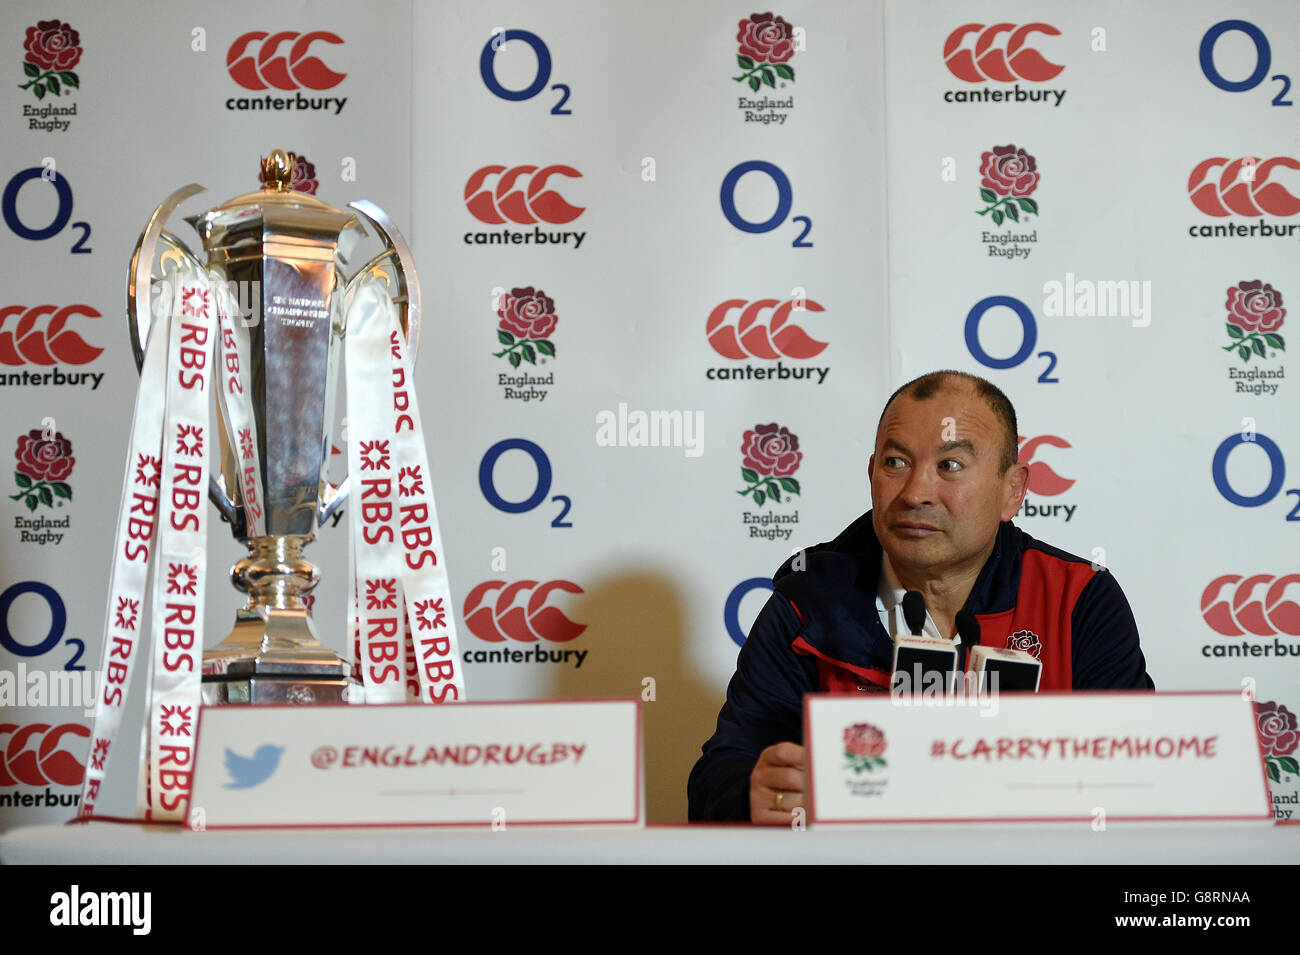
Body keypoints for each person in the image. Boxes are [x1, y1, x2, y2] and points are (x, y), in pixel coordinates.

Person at [688, 370, 1155, 824]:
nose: (915, 493)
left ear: (1013, 490)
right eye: (896, 463)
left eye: (950, 466)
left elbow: (1140, 779)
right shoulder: (807, 604)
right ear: (871, 474)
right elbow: (717, 778)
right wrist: (755, 792)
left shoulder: (1078, 598)